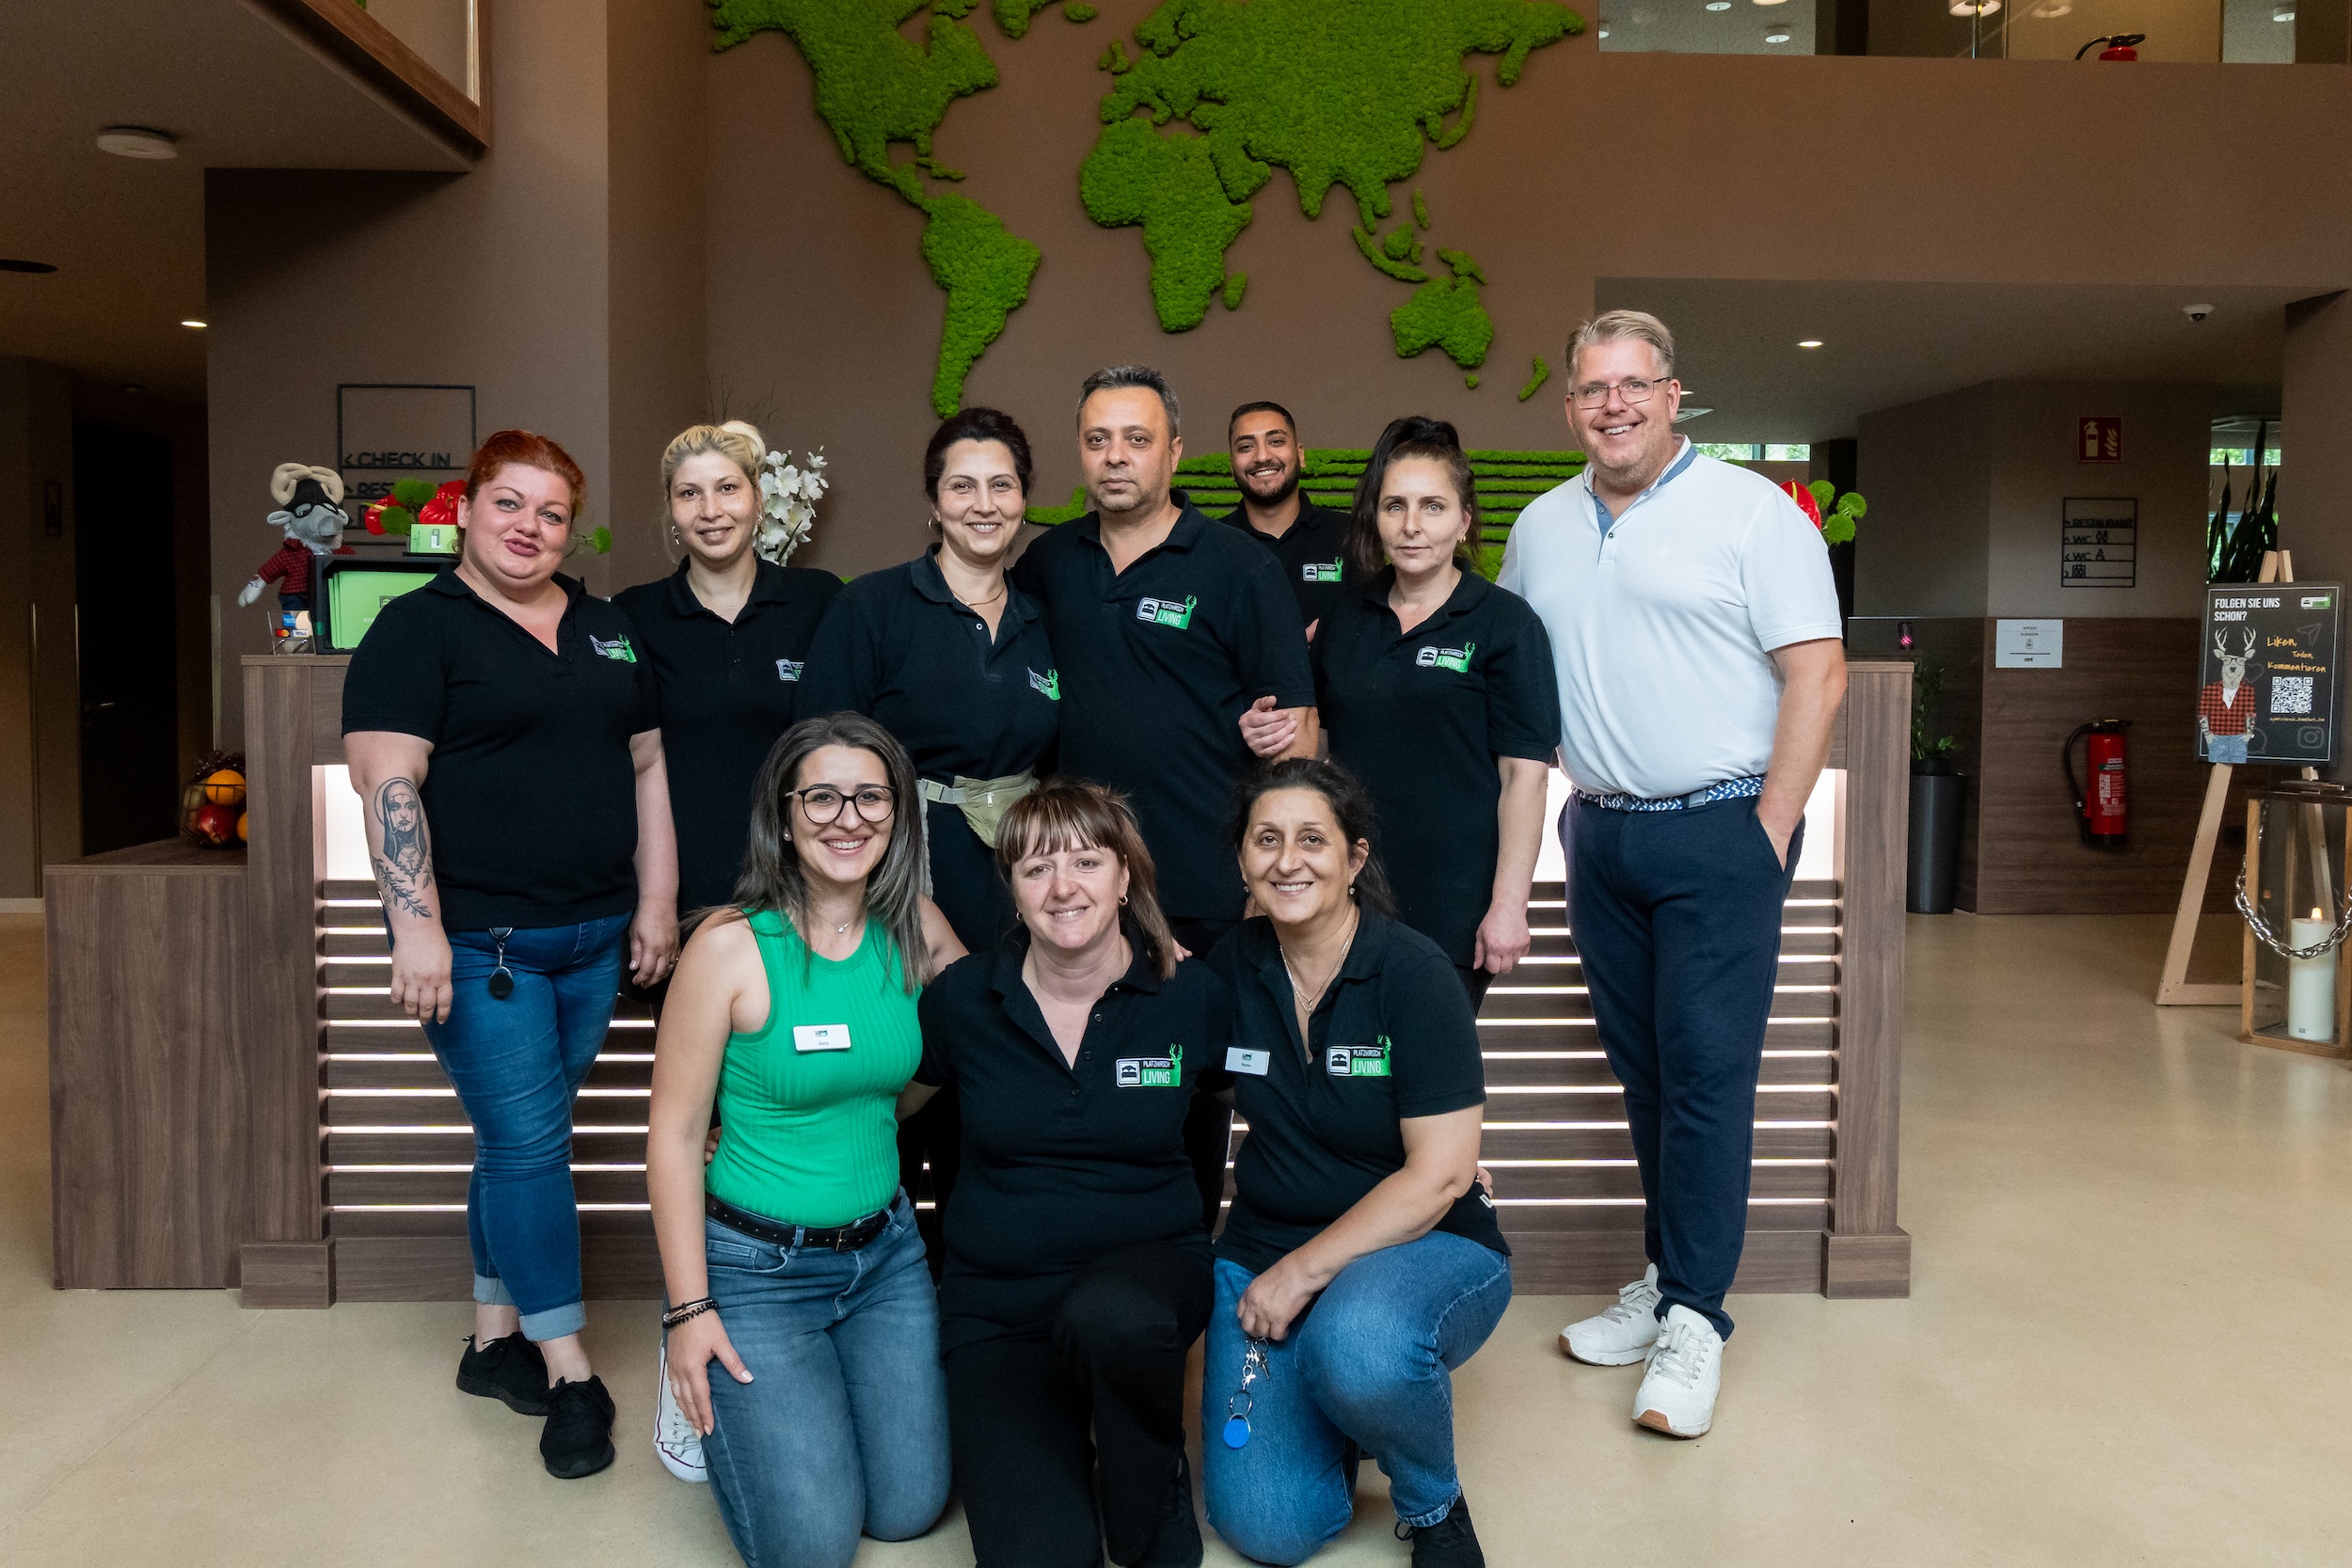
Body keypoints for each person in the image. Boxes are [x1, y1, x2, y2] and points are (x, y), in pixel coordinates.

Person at [1501, 309, 1845, 1438]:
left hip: (1719, 836)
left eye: (1633, 386)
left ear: (1671, 392)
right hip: (1598, 834)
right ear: (1570, 406)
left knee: (1705, 1078)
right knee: (1647, 1078)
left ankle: (1697, 1313)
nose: (1613, 406)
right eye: (1592, 390)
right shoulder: (1541, 526)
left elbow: (1818, 673)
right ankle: (1664, 1279)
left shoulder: (1750, 511)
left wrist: (1769, 830)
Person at [342, 428, 679, 1481]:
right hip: (482, 949)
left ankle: (493, 1341)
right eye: (509, 504)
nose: (529, 527)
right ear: (467, 507)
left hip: (591, 942)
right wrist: (415, 925)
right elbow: (389, 785)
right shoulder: (415, 629)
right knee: (533, 1146)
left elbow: (647, 763)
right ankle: (569, 1368)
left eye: (550, 512)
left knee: (516, 1135)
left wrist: (657, 899)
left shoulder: (608, 627)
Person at [645, 712, 961, 1568]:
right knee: (815, 1547)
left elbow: (986, 1035)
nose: (847, 817)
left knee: (907, 1509)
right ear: (783, 815)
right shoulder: (728, 947)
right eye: (821, 796)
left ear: (897, 815)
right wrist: (690, 1308)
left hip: (885, 1260)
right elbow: (674, 1136)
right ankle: (684, 1364)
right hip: (755, 1272)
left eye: (870, 797)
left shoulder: (918, 928)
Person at [1011, 364, 1316, 1230]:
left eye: (1137, 439)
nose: (1117, 458)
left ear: (1175, 451)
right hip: (1073, 888)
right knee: (1077, 1083)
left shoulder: (1236, 566)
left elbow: (1295, 735)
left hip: (1204, 886)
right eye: (1099, 439)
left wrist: (1267, 883)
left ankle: (1178, 1293)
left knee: (1193, 1095)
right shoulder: (1047, 563)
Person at [903, 780, 1232, 1568]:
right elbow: (886, 1108)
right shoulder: (963, 1001)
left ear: (1126, 876)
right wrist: (736, 1138)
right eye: (1036, 868)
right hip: (998, 1305)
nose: (1063, 887)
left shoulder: (1192, 996)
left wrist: (1438, 1157)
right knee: (1038, 1555)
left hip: (1145, 1286)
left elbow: (1287, 1093)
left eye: (1086, 860)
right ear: (1012, 889)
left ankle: (1148, 1466)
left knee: (1111, 1317)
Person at [1200, 759, 1507, 1568]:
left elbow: (1441, 1174)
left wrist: (1302, 1272)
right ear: (1242, 861)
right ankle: (1336, 1416)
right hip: (1264, 1249)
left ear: (1355, 859)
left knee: (1360, 1342)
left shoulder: (1413, 974)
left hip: (1423, 1247)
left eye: (1312, 839)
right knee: (1270, 1528)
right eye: (1266, 840)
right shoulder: (1228, 969)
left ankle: (1433, 1502)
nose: (1288, 860)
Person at [797, 406, 1060, 1291]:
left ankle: (982, 1303)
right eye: (962, 485)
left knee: (996, 1095)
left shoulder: (1044, 618)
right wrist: (900, 893)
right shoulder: (871, 606)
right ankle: (879, 1290)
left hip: (1020, 888)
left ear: (1024, 498)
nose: (983, 503)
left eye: (1001, 485)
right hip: (895, 881)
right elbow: (823, 767)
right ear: (933, 500)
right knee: (904, 1084)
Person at [1241, 418, 1557, 1010]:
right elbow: (1312, 749)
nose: (1412, 526)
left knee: (1425, 1077)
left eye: (1433, 507)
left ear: (1463, 522)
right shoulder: (1342, 619)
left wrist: (1509, 905)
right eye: (1395, 507)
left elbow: (1525, 777)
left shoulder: (1505, 625)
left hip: (1453, 900)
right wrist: (1262, 727)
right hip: (1342, 892)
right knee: (1344, 1075)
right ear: (1376, 519)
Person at [613, 420, 844, 917]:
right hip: (684, 889)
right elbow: (627, 765)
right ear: (672, 510)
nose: (711, 511)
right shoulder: (635, 616)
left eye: (728, 488)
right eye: (690, 493)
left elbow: (849, 747)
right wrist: (654, 902)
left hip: (806, 883)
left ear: (759, 499)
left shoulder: (819, 601)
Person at [1220, 401, 1352, 635]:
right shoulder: (1211, 545)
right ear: (1232, 466)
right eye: (1246, 447)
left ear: (1300, 455)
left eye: (1276, 441)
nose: (1262, 456)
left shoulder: (1350, 535)